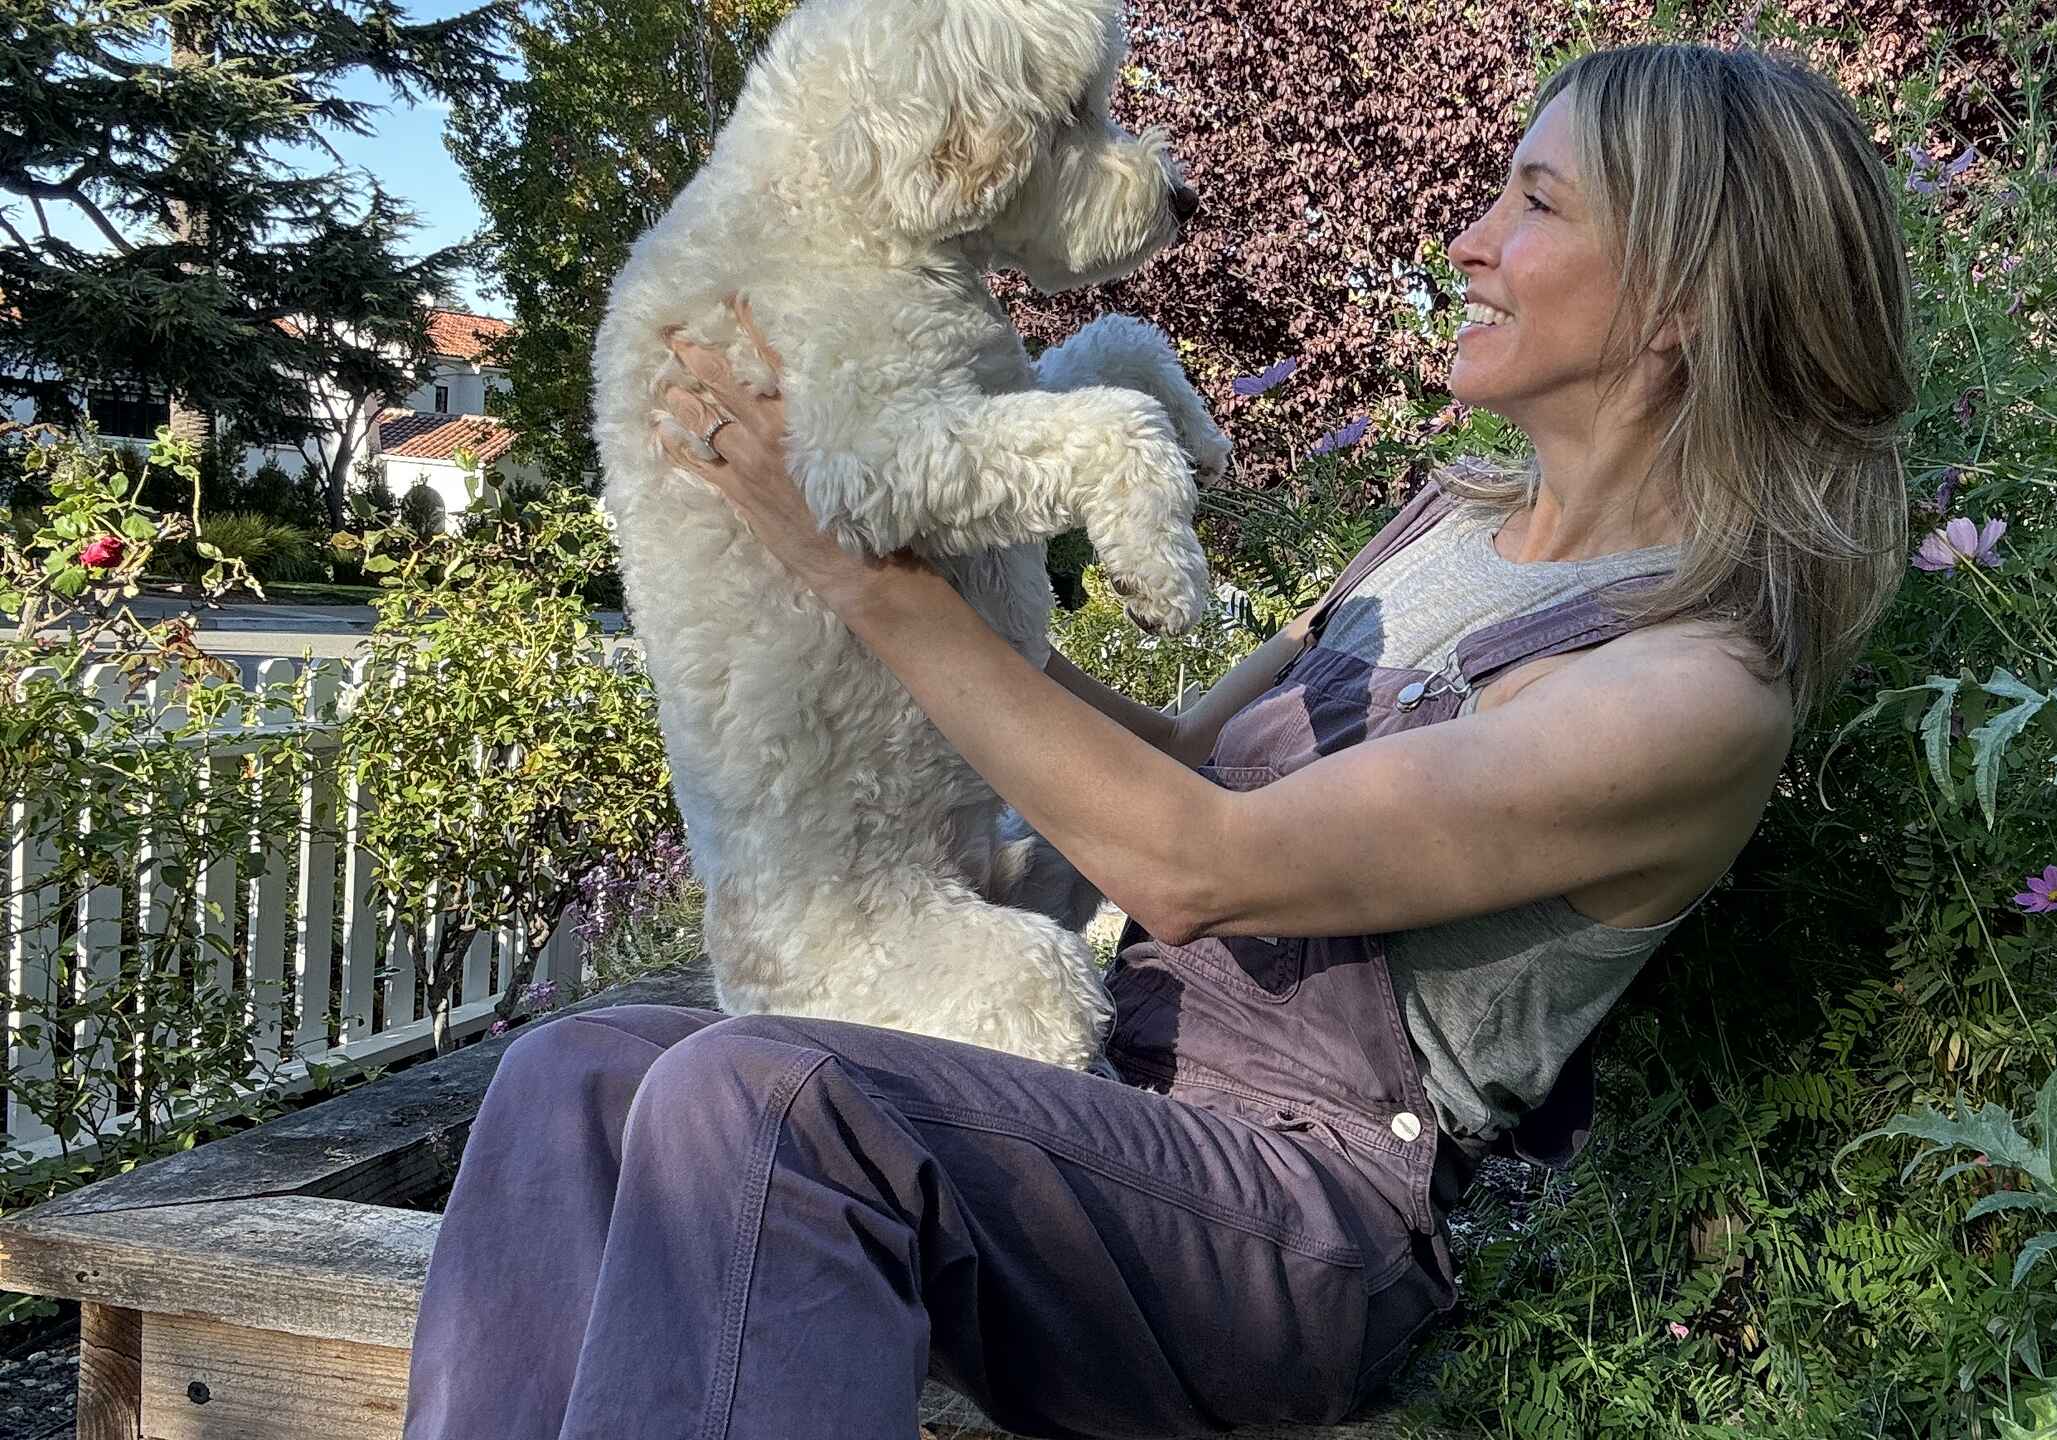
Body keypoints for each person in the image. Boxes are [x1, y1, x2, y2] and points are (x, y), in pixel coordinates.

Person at [402, 42, 1912, 1440]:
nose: (1467, 239)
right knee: (575, 1074)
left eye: (1534, 201)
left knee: (770, 1105)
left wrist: (860, 571)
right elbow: (1182, 764)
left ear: (1688, 296)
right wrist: (839, 586)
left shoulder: (1688, 686)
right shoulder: (1446, 531)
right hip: (1117, 1102)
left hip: (1301, 1216)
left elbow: (1199, 864)